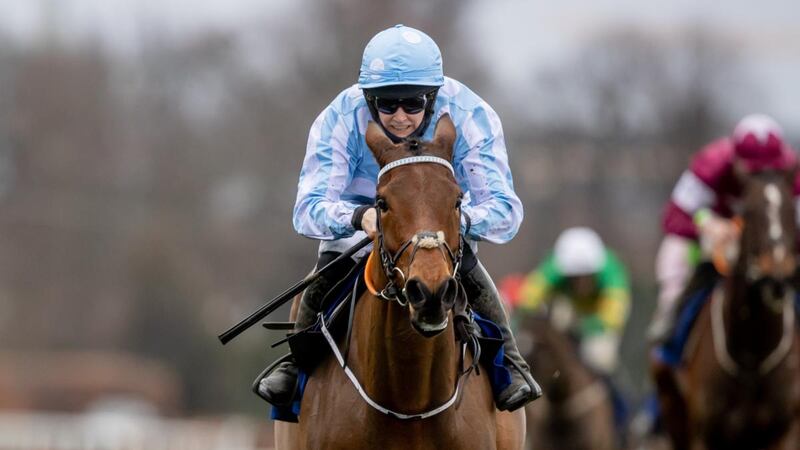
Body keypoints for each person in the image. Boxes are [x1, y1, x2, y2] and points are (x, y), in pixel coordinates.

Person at [258, 24, 541, 412]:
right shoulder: (339, 116)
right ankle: (296, 365)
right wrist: (360, 217)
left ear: (433, 96)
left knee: (470, 271)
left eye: (412, 103)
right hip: (363, 223)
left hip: (441, 229)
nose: (401, 117)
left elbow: (505, 211)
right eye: (387, 105)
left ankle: (510, 362)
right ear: (368, 98)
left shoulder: (470, 113)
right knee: (322, 276)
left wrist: (451, 221)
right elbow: (307, 208)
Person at [647, 113, 798, 351]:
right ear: (735, 159)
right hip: (716, 244)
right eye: (753, 172)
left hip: (768, 246)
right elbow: (673, 216)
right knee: (674, 249)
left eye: (770, 171)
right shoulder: (711, 165)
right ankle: (670, 316)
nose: (761, 179)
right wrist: (705, 223)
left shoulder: (793, 173)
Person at [518, 227, 631, 376]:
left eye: (587, 276)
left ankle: (618, 396)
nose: (581, 284)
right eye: (575, 277)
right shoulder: (553, 268)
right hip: (569, 306)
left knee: (600, 358)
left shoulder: (613, 274)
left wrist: (584, 327)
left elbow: (612, 318)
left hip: (599, 316)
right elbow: (528, 297)